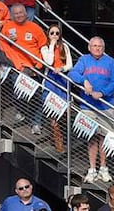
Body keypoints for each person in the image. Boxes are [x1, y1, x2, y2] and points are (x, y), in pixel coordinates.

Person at [68, 36, 114, 184]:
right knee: (91, 137)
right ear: (89, 47)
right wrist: (83, 80)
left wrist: (102, 93)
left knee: (104, 138)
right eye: (94, 46)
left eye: (100, 46)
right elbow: (73, 73)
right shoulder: (84, 60)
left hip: (106, 105)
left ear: (103, 48)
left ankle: (103, 168)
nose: (97, 48)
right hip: (88, 105)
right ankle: (92, 169)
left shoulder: (110, 62)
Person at [0, 3, 46, 134]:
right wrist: (8, 40)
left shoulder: (35, 28)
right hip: (17, 67)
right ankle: (22, 111)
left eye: (21, 13)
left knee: (36, 96)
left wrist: (39, 65)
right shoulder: (8, 27)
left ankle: (36, 123)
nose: (18, 15)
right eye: (16, 13)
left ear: (26, 13)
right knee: (19, 94)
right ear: (12, 15)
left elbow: (43, 46)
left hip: (34, 68)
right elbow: (1, 44)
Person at [40, 23, 72, 152]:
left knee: (63, 112)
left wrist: (62, 68)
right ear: (48, 34)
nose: (54, 35)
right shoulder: (45, 48)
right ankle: (58, 143)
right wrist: (52, 45)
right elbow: (48, 62)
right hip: (50, 80)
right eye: (52, 33)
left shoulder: (65, 47)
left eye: (57, 33)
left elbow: (69, 64)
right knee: (52, 111)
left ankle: (63, 138)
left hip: (62, 79)